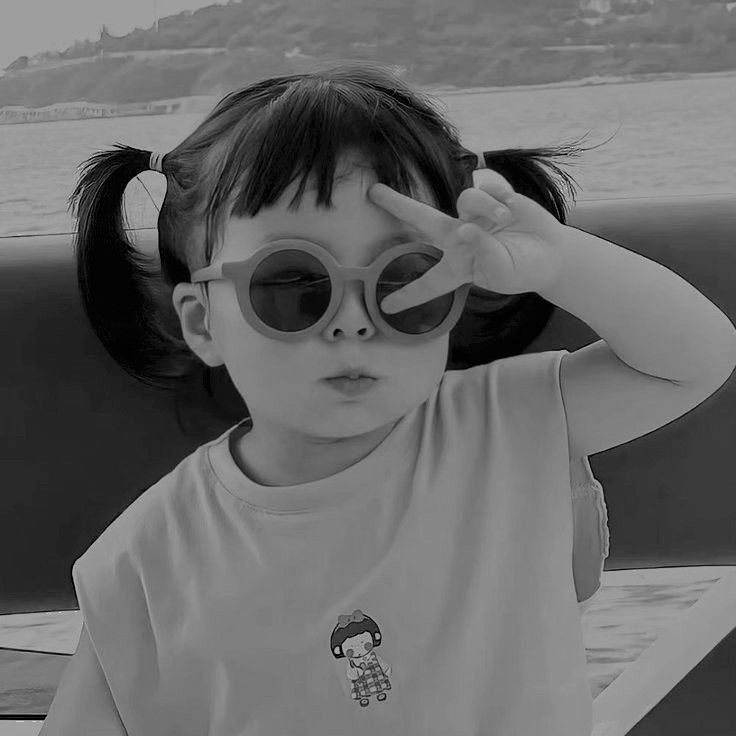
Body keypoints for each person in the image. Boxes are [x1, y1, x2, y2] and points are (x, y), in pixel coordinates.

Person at [40, 64, 736, 736]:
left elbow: (692, 361)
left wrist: (559, 263)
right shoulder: (146, 556)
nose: (353, 320)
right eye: (295, 286)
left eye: (403, 280)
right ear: (202, 323)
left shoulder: (507, 424)